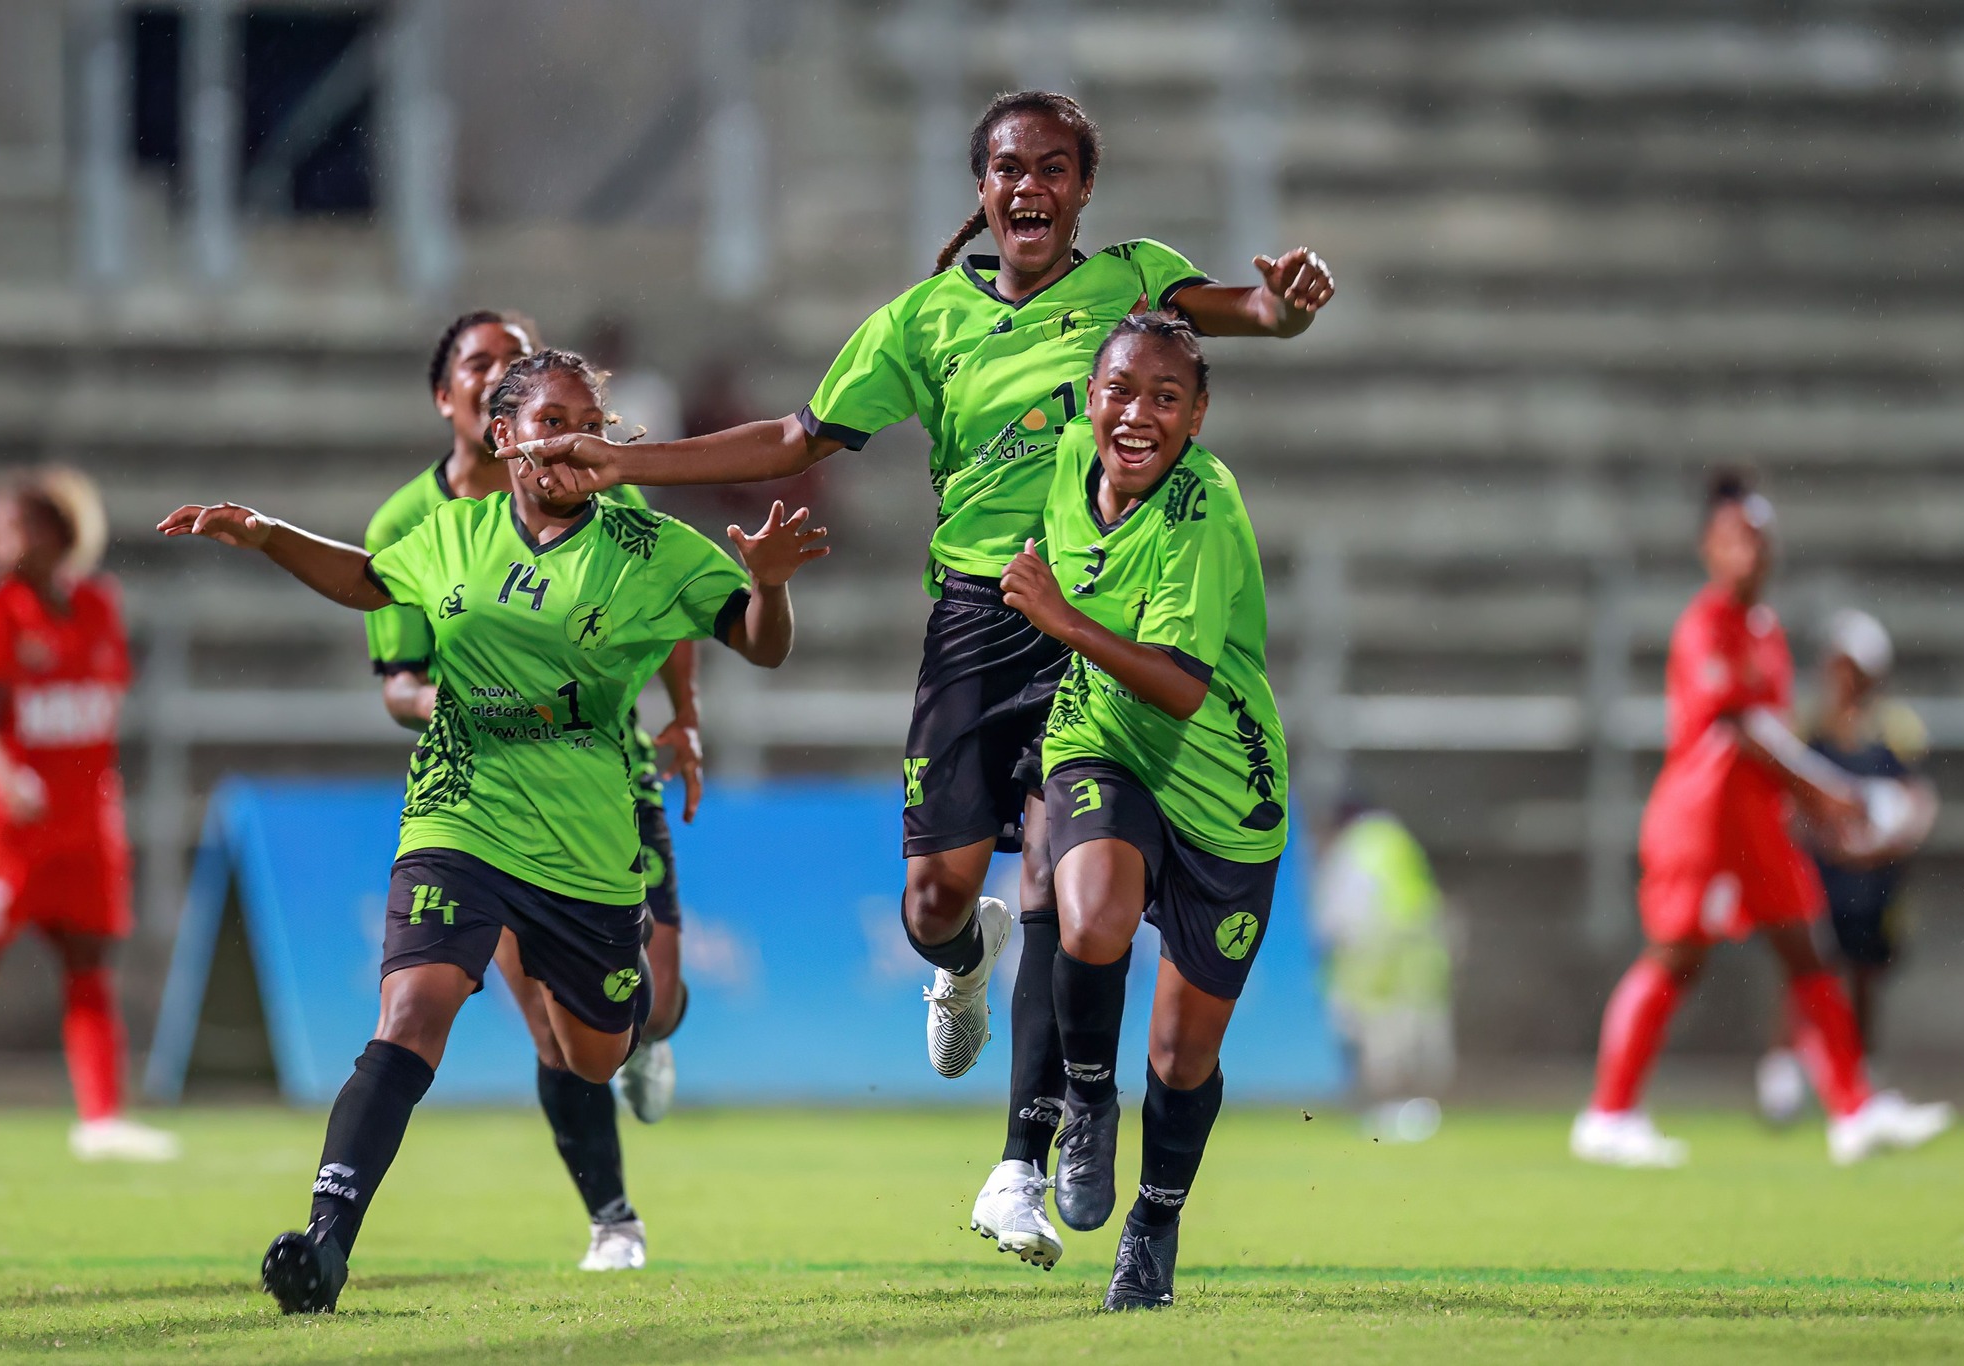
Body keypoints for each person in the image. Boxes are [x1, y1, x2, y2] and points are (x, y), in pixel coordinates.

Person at [506, 90, 1331, 1262]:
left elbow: (1239, 315)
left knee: (1058, 868)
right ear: (982, 187)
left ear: (1084, 188)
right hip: (975, 624)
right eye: (1008, 167)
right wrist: (627, 456)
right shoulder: (923, 320)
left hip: (1087, 611)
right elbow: (798, 437)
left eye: (1054, 167)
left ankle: (1021, 1163)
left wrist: (1283, 308)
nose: (1030, 186)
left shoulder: (1132, 283)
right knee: (937, 901)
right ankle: (962, 962)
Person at [158, 349, 827, 1313]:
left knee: (592, 1054)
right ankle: (326, 1243)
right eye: (546, 420)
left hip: (589, 835)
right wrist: (267, 536)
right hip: (459, 806)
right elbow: (366, 581)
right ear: (500, 434)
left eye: (585, 422)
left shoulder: (651, 546)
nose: (565, 440)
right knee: (411, 1014)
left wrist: (767, 585)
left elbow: (761, 648)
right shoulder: (451, 534)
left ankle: (637, 1036)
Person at [366, 314, 702, 1271]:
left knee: (658, 1007)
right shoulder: (410, 524)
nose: (495, 378)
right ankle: (614, 1219)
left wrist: (684, 710)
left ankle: (646, 1035)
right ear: (452, 398)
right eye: (479, 364)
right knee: (552, 1031)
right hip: (487, 799)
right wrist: (480, 696)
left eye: (511, 362)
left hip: (608, 778)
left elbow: (663, 589)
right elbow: (397, 683)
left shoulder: (590, 485)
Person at [994, 313, 1284, 1310]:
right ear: (1090, 393)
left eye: (1167, 397)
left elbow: (1179, 686)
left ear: (1197, 415)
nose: (1137, 414)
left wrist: (1060, 620)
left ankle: (1153, 1221)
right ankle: (1083, 1097)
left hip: (1221, 791)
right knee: (1091, 915)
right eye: (1121, 389)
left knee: (1179, 1055)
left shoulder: (1206, 507)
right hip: (1101, 745)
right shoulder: (1063, 456)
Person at [1572, 472, 1953, 1169]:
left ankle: (1854, 1110)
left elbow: (1770, 738)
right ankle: (1608, 1112)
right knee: (1675, 957)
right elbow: (1744, 731)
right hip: (1705, 819)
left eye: (1757, 538)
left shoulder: (1764, 630)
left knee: (1807, 951)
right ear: (1708, 549)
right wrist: (1830, 792)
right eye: (1734, 538)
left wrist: (1811, 803)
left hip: (1755, 822)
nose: (1749, 551)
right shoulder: (1706, 625)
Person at [0, 471, 178, 1162]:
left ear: (56, 531)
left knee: (88, 962)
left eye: (14, 525)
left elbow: (99, 703)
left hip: (84, 825)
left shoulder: (98, 606)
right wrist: (5, 775)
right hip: (11, 827)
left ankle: (102, 1118)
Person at [1755, 609, 1935, 1125]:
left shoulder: (1895, 730)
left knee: (1864, 972)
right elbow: (1788, 799)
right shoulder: (1809, 727)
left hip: (1877, 875)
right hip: (1820, 869)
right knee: (1805, 967)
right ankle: (1783, 1077)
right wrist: (1828, 840)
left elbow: (1916, 799)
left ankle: (1862, 1073)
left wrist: (1890, 840)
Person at [1310, 798, 1453, 1143]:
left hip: (1374, 960)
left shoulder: (1354, 847)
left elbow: (1340, 915)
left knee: (1377, 1036)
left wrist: (1327, 954)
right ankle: (1421, 1111)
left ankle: (1388, 1112)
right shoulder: (1397, 837)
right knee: (1421, 1034)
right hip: (1421, 954)